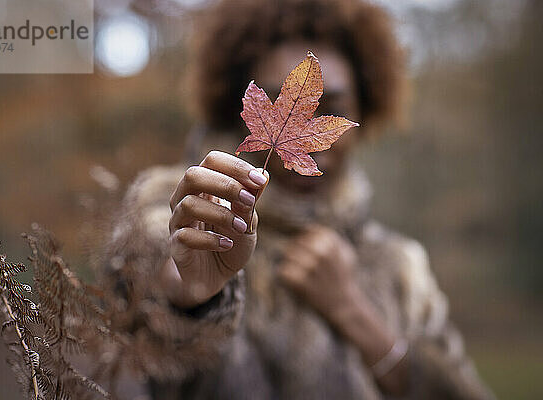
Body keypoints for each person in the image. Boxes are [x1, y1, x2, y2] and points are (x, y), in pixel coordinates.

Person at [103, 0, 496, 398]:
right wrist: (192, 299)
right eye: (277, 103)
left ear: (363, 112)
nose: (314, 145)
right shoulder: (175, 211)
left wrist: (355, 312)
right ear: (240, 109)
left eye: (333, 110)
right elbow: (114, 367)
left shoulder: (397, 264)